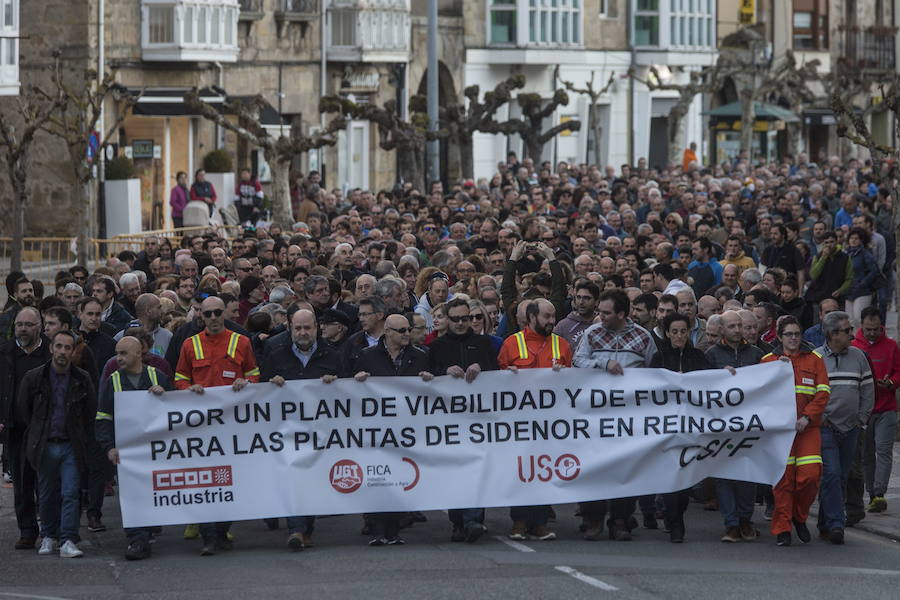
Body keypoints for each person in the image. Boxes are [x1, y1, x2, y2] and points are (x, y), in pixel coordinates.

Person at [174, 296, 260, 555]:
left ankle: (222, 532)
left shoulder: (241, 342)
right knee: (207, 481)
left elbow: (254, 374)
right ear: (201, 315)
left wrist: (247, 383)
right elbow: (179, 378)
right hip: (201, 428)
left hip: (233, 426)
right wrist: (189, 389)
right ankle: (209, 537)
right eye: (207, 313)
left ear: (225, 314)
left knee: (229, 480)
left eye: (217, 313)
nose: (212, 317)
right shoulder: (190, 344)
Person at [573, 289, 656, 541]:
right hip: (596, 416)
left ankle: (620, 519)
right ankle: (593, 518)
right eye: (600, 311)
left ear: (621, 313)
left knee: (625, 468)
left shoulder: (642, 337)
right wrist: (601, 364)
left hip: (629, 418)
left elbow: (655, 371)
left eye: (607, 313)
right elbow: (577, 361)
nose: (601, 316)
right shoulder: (592, 333)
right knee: (595, 467)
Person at [262, 309, 340, 551]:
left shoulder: (333, 355)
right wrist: (271, 385)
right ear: (290, 328)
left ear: (316, 328)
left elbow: (348, 394)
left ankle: (306, 528)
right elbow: (261, 391)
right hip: (287, 431)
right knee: (294, 476)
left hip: (321, 432)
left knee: (312, 478)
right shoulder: (276, 354)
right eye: (298, 328)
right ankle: (296, 529)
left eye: (307, 328)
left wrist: (336, 382)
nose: (303, 333)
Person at [352, 314, 434, 546]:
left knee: (398, 479)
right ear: (387, 332)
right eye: (401, 330)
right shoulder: (367, 356)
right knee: (378, 479)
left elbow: (430, 393)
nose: (406, 334)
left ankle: (393, 530)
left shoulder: (420, 357)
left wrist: (430, 380)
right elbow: (349, 390)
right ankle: (378, 529)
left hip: (407, 430)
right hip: (377, 430)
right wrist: (356, 381)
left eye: (408, 329)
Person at [18, 330, 97, 558]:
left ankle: (68, 539)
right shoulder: (35, 378)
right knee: (46, 494)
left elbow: (90, 412)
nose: (62, 352)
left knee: (71, 492)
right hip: (44, 444)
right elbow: (25, 411)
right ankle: (49, 536)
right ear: (51, 348)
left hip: (71, 444)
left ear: (73, 351)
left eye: (67, 348)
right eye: (59, 346)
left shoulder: (82, 378)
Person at [498, 298, 571, 541]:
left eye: (553, 316)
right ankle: (519, 521)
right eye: (547, 317)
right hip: (518, 424)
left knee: (544, 471)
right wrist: (506, 376)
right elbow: (494, 385)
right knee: (521, 472)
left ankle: (539, 522)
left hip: (550, 425)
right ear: (531, 318)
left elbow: (574, 385)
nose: (552, 321)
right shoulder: (511, 343)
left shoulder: (562, 345)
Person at [427, 298, 499, 543]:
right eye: (455, 319)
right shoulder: (437, 346)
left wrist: (483, 367)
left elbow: (498, 372)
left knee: (477, 468)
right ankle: (458, 521)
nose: (460, 323)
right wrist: (443, 373)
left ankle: (473, 520)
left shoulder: (484, 342)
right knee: (454, 470)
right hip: (449, 421)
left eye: (465, 319)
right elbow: (426, 379)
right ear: (447, 319)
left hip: (479, 420)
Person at [95, 336, 172, 560]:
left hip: (156, 450)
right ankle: (136, 540)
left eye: (124, 353)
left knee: (153, 492)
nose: (118, 358)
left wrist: (166, 396)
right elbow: (103, 417)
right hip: (127, 452)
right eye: (117, 353)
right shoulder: (113, 381)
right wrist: (109, 447)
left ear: (139, 353)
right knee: (132, 496)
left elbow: (179, 410)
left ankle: (147, 530)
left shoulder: (158, 377)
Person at [761, 316, 830, 546]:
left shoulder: (815, 359)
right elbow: (759, 396)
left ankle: (799, 517)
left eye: (797, 334)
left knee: (810, 477)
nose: (793, 338)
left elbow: (823, 393)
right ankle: (782, 529)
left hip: (807, 429)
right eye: (789, 334)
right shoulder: (768, 361)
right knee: (783, 482)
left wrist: (807, 417)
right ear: (780, 337)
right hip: (780, 432)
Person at [705, 310, 766, 541]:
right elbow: (702, 385)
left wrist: (780, 364)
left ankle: (745, 520)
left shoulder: (757, 353)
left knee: (747, 474)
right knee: (724, 475)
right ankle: (731, 524)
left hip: (749, 424)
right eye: (731, 326)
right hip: (722, 425)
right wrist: (718, 377)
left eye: (739, 326)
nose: (737, 330)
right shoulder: (712, 355)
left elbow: (770, 377)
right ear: (721, 330)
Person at [650, 312, 710, 542]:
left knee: (685, 479)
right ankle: (676, 524)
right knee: (670, 475)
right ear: (667, 333)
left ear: (689, 332)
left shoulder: (698, 357)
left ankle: (675, 512)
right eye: (674, 332)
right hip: (666, 428)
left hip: (692, 427)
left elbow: (712, 384)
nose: (679, 336)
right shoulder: (659, 359)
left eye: (683, 331)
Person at [815, 311, 873, 544]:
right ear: (832, 334)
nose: (852, 334)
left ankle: (824, 522)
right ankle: (837, 523)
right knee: (831, 473)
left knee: (840, 477)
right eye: (847, 330)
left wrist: (862, 419)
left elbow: (868, 390)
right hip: (826, 426)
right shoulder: (816, 357)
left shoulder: (859, 356)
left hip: (851, 428)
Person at [0, 307, 51, 549]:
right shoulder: (5, 352)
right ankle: (27, 531)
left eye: (28, 324)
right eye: (19, 324)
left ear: (39, 326)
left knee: (48, 483)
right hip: (16, 429)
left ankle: (51, 530)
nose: (23, 329)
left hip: (46, 429)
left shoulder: (51, 350)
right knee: (22, 484)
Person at [852, 307, 900, 515]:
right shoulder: (854, 347)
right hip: (864, 410)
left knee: (884, 450)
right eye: (868, 329)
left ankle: (879, 492)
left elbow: (899, 371)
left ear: (882, 327)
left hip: (887, 408)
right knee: (866, 455)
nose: (872, 333)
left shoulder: (891, 346)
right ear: (861, 326)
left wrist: (890, 383)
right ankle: (871, 493)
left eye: (876, 329)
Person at [843, 227, 877, 327]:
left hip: (862, 291)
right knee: (849, 321)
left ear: (861, 240)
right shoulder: (845, 254)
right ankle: (851, 342)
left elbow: (874, 271)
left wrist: (863, 283)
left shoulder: (865, 254)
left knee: (859, 318)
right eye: (851, 238)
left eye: (856, 238)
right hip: (848, 291)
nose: (853, 240)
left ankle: (860, 341)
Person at [553, 279, 599, 349]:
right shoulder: (563, 326)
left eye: (586, 298)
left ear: (596, 302)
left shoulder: (602, 324)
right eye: (578, 297)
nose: (581, 302)